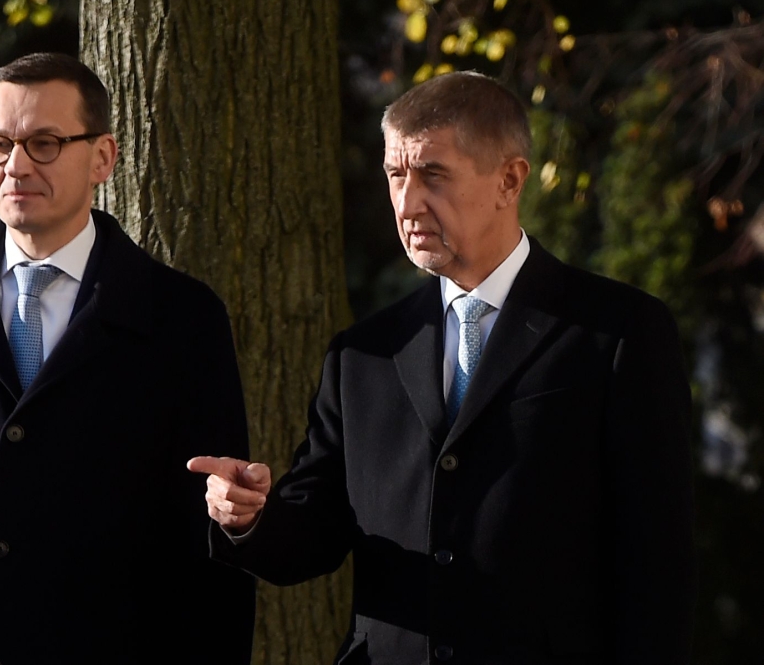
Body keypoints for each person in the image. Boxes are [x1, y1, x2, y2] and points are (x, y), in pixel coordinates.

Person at [189, 72, 694, 664]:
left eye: (433, 175)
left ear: (509, 180)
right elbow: (313, 538)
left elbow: (656, 565)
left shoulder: (617, 332)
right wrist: (249, 517)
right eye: (395, 175)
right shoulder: (364, 355)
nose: (407, 204)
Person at [0, 52, 254, 665]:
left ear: (103, 158)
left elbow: (209, 558)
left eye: (45, 143)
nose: (16, 165)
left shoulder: (182, 319)